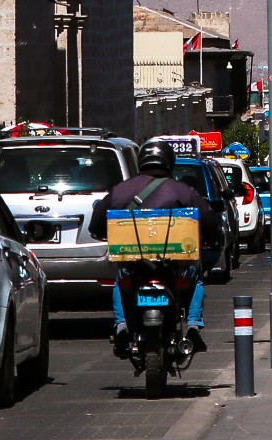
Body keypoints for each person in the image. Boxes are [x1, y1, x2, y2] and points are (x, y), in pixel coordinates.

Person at [89, 139, 213, 357]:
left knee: (121, 280)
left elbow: (96, 222)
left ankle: (121, 326)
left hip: (134, 265)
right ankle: (193, 326)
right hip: (173, 266)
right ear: (169, 162)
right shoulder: (183, 191)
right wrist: (212, 237)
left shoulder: (120, 191)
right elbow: (209, 220)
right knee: (196, 277)